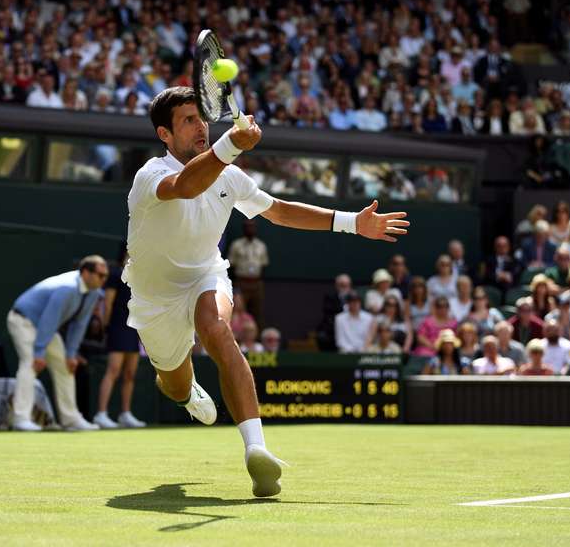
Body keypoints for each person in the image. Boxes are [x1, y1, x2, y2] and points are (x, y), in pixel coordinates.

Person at [124, 87, 408, 497]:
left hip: (206, 274)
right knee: (174, 382)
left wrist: (351, 222)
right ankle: (186, 393)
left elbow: (277, 210)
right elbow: (186, 185)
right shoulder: (150, 174)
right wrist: (230, 145)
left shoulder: (229, 175)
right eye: (188, 121)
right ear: (165, 134)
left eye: (202, 118)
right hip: (155, 298)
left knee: (216, 329)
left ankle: (257, 450)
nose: (200, 126)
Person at [7, 255, 108, 432]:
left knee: (66, 366)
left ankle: (70, 419)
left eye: (105, 276)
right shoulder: (66, 288)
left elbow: (80, 324)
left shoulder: (94, 293)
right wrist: (39, 352)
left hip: (45, 327)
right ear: (85, 272)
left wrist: (71, 354)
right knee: (30, 363)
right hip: (23, 320)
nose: (103, 279)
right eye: (100, 275)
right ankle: (20, 418)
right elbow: (49, 319)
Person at [94, 249, 146, 430]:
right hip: (117, 326)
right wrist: (106, 327)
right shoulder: (115, 274)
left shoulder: (140, 277)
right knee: (113, 370)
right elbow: (107, 303)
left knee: (130, 373)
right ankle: (101, 414)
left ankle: (125, 414)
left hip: (134, 328)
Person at [228, 219, 269, 326]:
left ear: (256, 229)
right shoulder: (236, 245)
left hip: (256, 283)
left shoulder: (261, 245)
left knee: (258, 312)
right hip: (241, 283)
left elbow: (264, 264)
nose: (250, 228)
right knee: (238, 312)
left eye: (252, 226)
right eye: (247, 226)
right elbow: (231, 265)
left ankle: (257, 339)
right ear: (244, 229)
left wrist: (259, 281)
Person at [317, 273, 353, 351]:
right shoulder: (330, 297)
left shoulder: (354, 298)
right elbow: (329, 314)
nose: (344, 287)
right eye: (342, 285)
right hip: (334, 328)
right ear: (337, 285)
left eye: (347, 285)